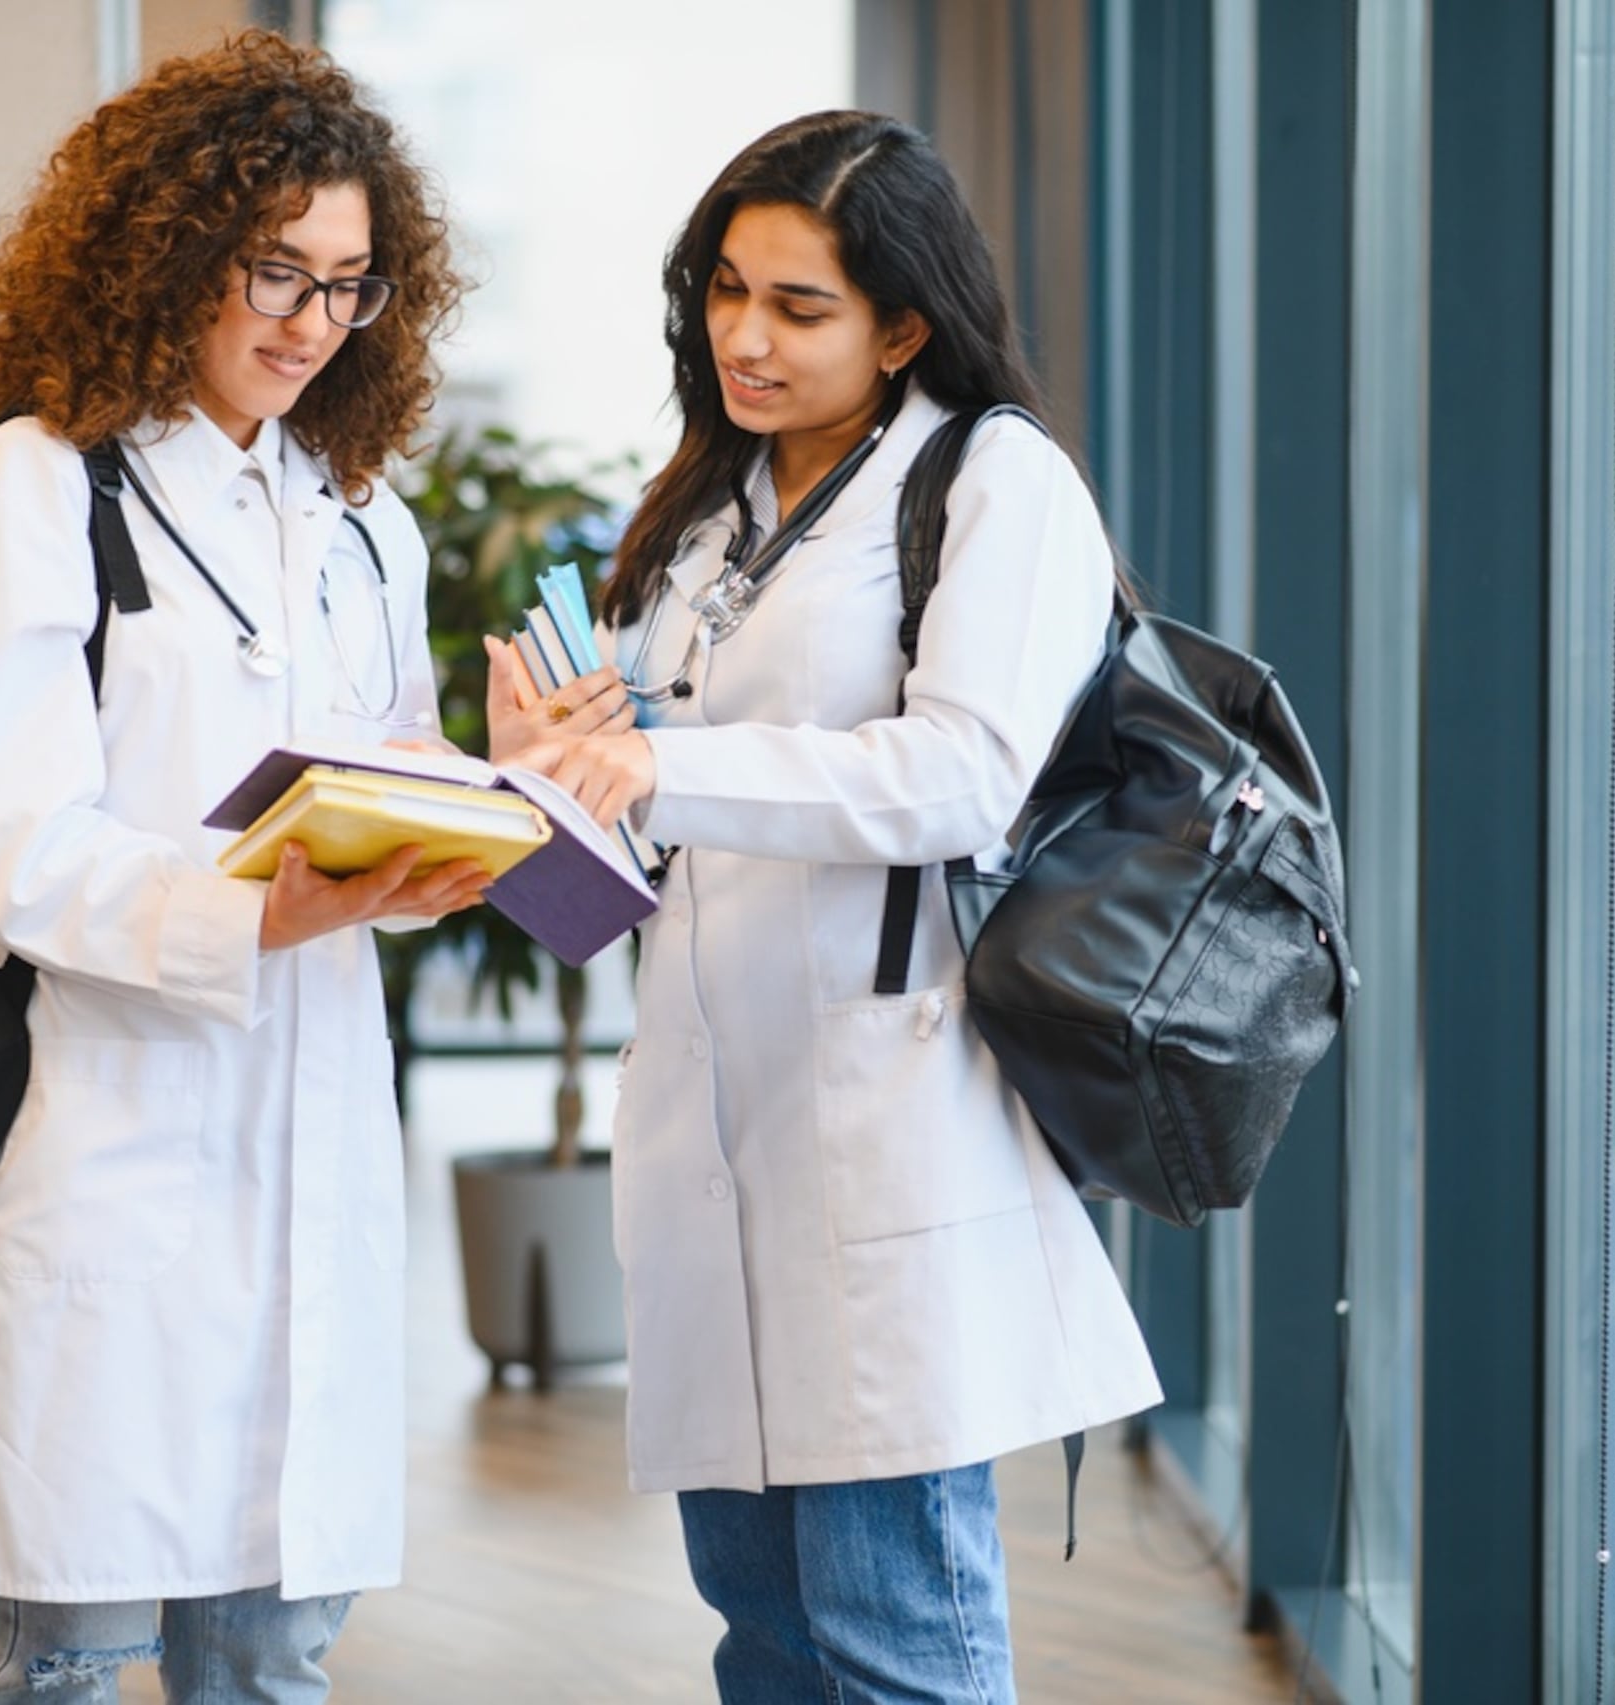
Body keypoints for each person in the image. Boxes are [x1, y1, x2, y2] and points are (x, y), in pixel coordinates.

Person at [491, 110, 1163, 1704]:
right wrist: (539, 790)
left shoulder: (993, 483)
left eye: (800, 307)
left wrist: (660, 768)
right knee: (768, 1642)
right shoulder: (698, 522)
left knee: (894, 1644)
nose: (745, 337)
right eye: (726, 291)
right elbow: (612, 899)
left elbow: (964, 775)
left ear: (904, 322)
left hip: (885, 1135)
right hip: (707, 1150)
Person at [0, 33, 484, 1703]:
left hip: (316, 1144)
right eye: (275, 270)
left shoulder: (366, 519)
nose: (311, 323)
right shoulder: (30, 489)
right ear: (164, 254)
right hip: (108, 1151)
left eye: (351, 286)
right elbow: (12, 846)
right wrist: (256, 906)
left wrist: (466, 825)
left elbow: (386, 770)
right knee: (65, 1663)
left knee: (273, 1663)